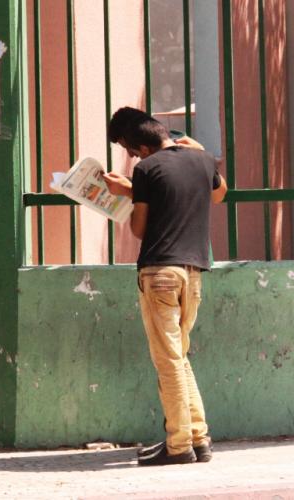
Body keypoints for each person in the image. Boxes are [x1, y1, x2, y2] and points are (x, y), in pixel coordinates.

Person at [103, 107, 227, 466]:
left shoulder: (146, 169)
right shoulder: (200, 159)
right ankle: (198, 438)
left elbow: (139, 229)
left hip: (159, 272)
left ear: (139, 145)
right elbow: (219, 196)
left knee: (168, 361)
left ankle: (177, 445)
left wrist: (128, 192)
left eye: (128, 148)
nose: (130, 156)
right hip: (194, 272)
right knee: (179, 357)